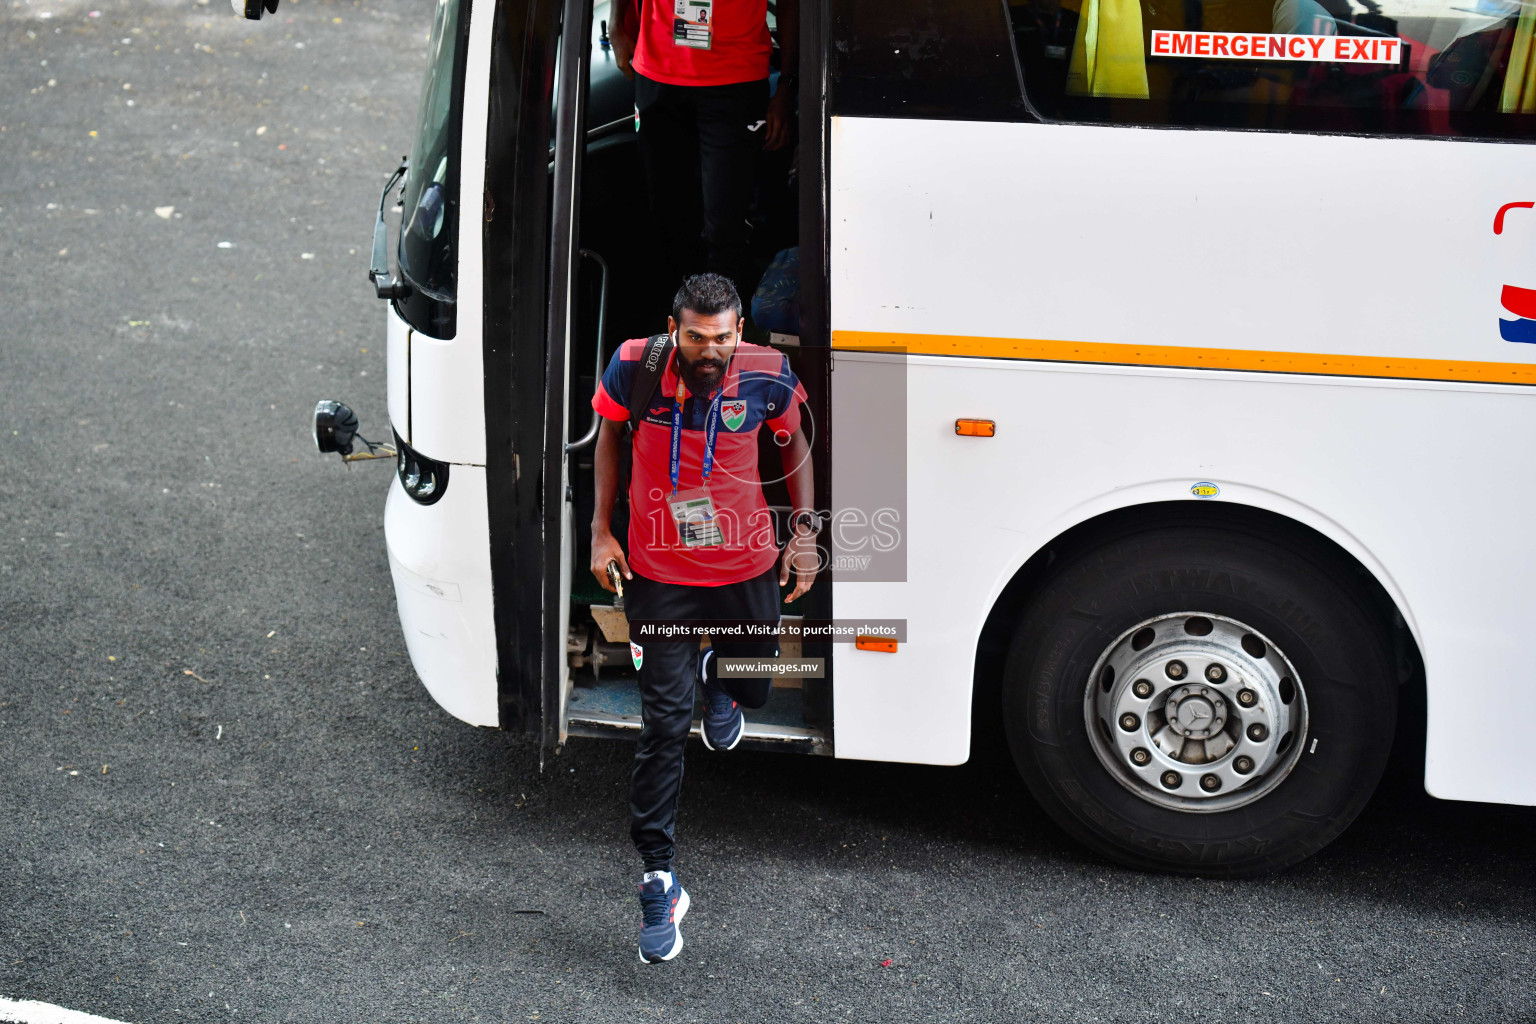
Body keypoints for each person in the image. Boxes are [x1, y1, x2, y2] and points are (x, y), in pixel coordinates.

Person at [588, 273, 819, 964]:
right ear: (674, 327)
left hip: (745, 566)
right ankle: (658, 878)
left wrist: (803, 533)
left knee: (752, 688)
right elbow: (607, 439)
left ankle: (718, 674)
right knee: (662, 725)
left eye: (721, 338)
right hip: (660, 575)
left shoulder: (768, 375)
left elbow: (796, 443)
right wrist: (602, 530)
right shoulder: (637, 364)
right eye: (695, 337)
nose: (708, 350)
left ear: (739, 332)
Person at [607, 0, 798, 301]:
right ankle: (686, 323)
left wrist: (787, 85)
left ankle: (721, 334)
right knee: (669, 215)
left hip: (734, 80)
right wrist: (617, 26)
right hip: (657, 73)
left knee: (724, 228)